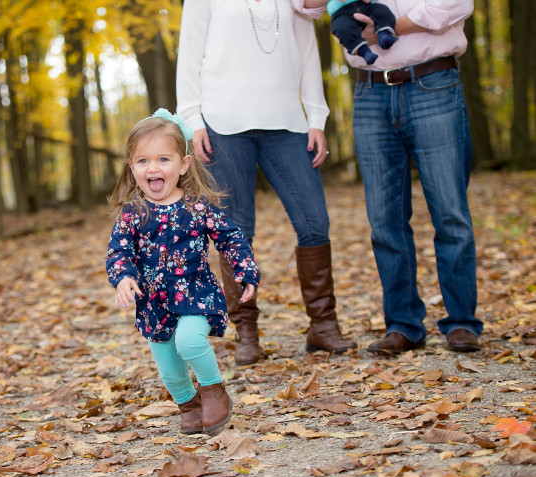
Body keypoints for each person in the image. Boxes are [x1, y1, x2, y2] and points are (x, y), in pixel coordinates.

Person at [176, 0, 357, 364]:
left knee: (314, 222)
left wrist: (317, 116)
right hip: (222, 123)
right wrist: (192, 119)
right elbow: (190, 54)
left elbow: (307, 50)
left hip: (288, 122)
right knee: (236, 230)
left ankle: (322, 325)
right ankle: (246, 331)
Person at [306, 0, 483, 353]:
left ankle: (462, 322)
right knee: (385, 219)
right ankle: (403, 325)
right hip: (370, 92)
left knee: (450, 212)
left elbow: (458, 5)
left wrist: (391, 28)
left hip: (433, 83)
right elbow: (308, 7)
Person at [106, 108, 260, 435]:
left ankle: (213, 390)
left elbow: (230, 236)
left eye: (163, 159)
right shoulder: (132, 214)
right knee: (170, 371)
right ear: (132, 167)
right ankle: (189, 404)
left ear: (183, 164)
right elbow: (119, 250)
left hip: (196, 294)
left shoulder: (197, 207)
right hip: (154, 304)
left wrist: (244, 269)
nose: (153, 168)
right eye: (143, 161)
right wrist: (124, 277)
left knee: (189, 342)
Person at [327, 0, 396, 64]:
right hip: (341, 14)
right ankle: (364, 51)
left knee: (381, 10)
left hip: (365, 6)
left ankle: (384, 34)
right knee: (341, 27)